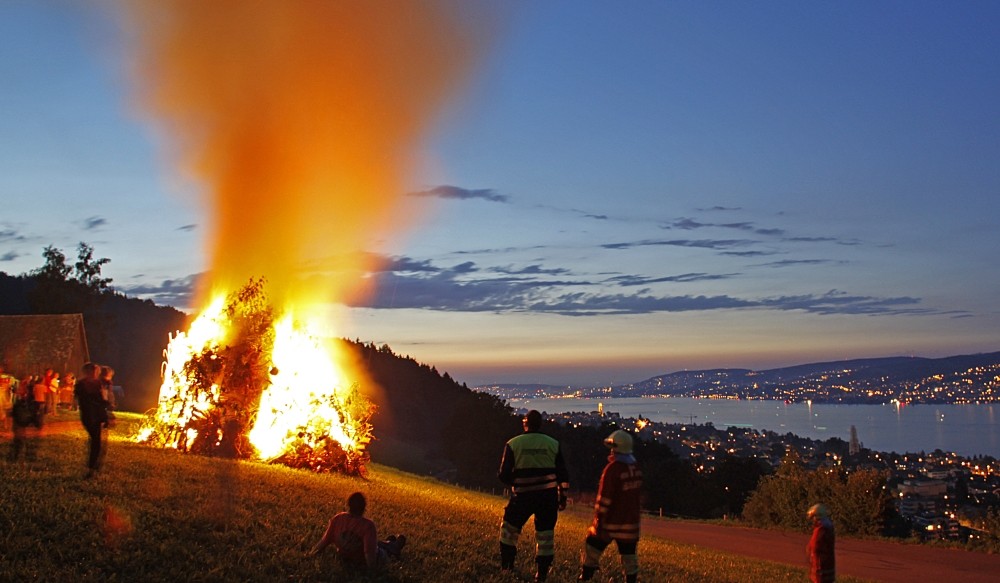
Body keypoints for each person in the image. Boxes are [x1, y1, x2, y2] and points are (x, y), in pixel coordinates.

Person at [498, 410, 570, 582]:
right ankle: (542, 573)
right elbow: (563, 474)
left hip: (522, 496)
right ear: (540, 424)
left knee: (509, 529)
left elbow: (503, 474)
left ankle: (507, 566)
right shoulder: (553, 444)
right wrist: (562, 496)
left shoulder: (513, 444)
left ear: (525, 423)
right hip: (547, 497)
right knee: (545, 535)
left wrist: (517, 483)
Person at [578, 429, 643, 583]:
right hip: (631, 524)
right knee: (629, 557)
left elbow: (604, 499)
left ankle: (585, 577)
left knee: (592, 548)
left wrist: (598, 522)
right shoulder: (636, 469)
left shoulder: (613, 470)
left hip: (610, 523)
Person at [308, 491, 405, 569]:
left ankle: (389, 541)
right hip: (373, 556)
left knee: (376, 543)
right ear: (364, 508)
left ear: (348, 504)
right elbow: (370, 553)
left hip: (348, 554)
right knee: (384, 550)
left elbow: (324, 541)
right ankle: (396, 544)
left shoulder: (338, 518)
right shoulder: (368, 525)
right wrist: (372, 572)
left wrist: (311, 554)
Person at [74, 362, 112, 478]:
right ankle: (92, 468)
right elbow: (100, 401)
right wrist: (106, 411)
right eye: (96, 371)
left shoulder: (80, 384)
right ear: (91, 372)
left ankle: (93, 467)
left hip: (86, 415)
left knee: (95, 440)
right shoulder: (95, 384)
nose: (98, 373)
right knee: (97, 442)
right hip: (95, 415)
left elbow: (79, 397)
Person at [806, 503, 836, 583]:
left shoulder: (821, 529)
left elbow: (815, 546)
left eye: (813, 518)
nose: (813, 520)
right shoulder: (827, 527)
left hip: (820, 565)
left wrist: (810, 552)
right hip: (826, 564)